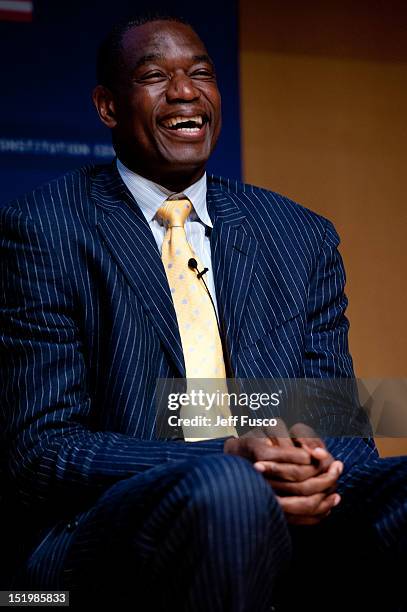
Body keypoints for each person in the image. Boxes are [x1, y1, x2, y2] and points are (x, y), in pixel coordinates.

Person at [0, 15, 406, 611]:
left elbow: (340, 418)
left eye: (200, 74)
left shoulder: (299, 236)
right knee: (229, 490)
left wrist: (314, 468)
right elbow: (42, 452)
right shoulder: (44, 230)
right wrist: (223, 455)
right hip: (107, 522)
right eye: (155, 76)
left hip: (282, 505)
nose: (185, 91)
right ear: (108, 107)